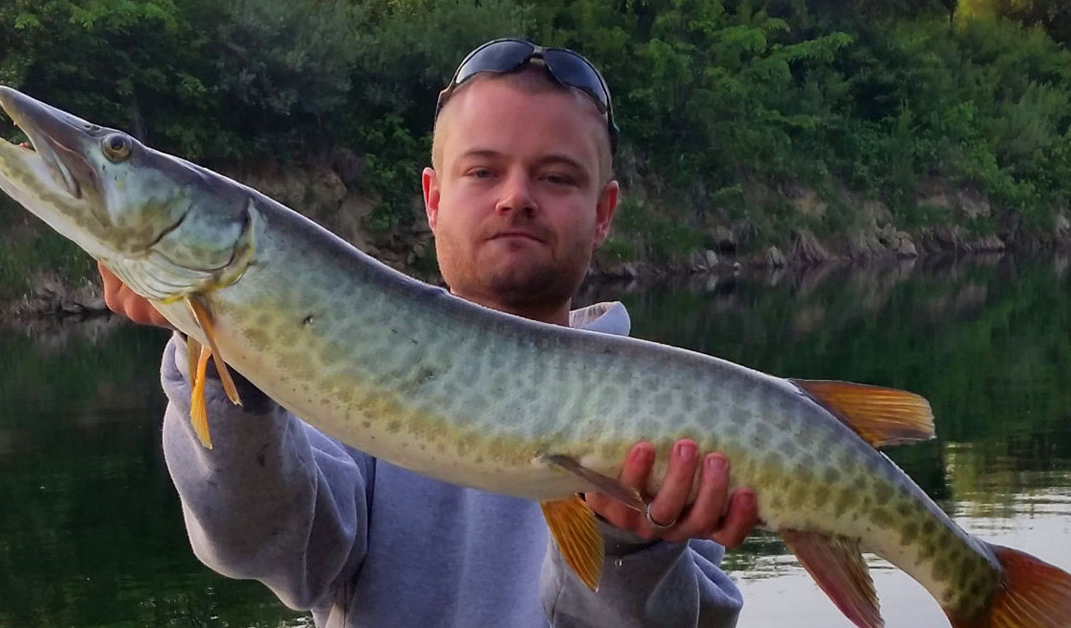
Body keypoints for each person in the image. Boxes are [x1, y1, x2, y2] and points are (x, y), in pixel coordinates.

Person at [100, 38, 758, 628]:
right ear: (433, 198)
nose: (515, 198)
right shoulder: (343, 369)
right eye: (482, 171)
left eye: (555, 177)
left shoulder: (662, 411)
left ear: (604, 211)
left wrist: (632, 548)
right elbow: (267, 547)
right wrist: (222, 355)